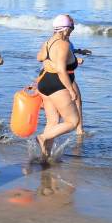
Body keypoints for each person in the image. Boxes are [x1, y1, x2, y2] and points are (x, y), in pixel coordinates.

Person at [34, 14, 81, 159]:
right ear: (65, 29)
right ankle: (42, 137)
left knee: (53, 121)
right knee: (73, 121)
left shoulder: (48, 42)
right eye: (71, 29)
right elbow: (61, 70)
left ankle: (45, 155)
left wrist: (54, 61)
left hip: (44, 83)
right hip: (57, 85)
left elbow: (39, 58)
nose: (72, 32)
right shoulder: (63, 44)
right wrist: (71, 90)